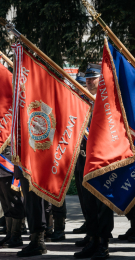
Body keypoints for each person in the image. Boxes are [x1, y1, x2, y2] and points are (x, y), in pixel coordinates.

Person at [74, 64, 114, 260]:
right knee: (88, 203)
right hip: (83, 157)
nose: (89, 81)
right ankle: (93, 240)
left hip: (101, 159)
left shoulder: (108, 102)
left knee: (102, 204)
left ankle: (104, 244)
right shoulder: (83, 101)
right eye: (87, 79)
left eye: (93, 78)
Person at [0, 146, 24, 248]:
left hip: (8, 164)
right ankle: (9, 234)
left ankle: (16, 236)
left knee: (13, 203)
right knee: (5, 205)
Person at [15, 166, 47, 257]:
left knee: (34, 204)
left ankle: (38, 242)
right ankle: (35, 241)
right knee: (30, 205)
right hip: (24, 166)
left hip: (31, 166)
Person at [72, 72, 89, 235]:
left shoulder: (94, 104)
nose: (79, 90)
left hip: (91, 157)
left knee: (91, 195)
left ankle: (97, 232)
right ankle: (89, 224)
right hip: (79, 157)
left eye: (81, 87)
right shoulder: (77, 105)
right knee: (82, 194)